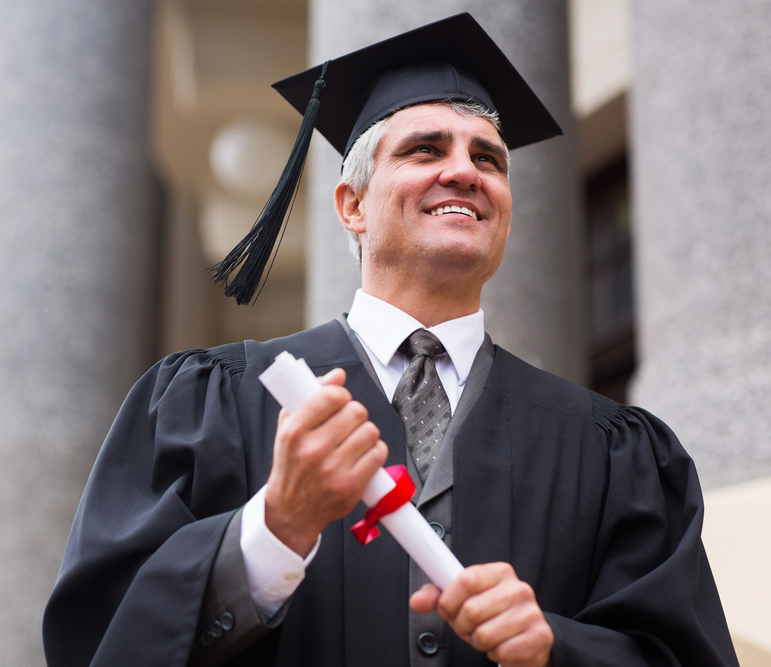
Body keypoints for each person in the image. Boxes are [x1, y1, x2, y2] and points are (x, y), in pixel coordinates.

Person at [43, 13, 738, 667]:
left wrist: (557, 647)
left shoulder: (611, 450)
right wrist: (273, 531)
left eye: (489, 160)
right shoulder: (211, 406)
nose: (464, 171)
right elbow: (104, 638)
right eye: (425, 149)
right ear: (352, 205)